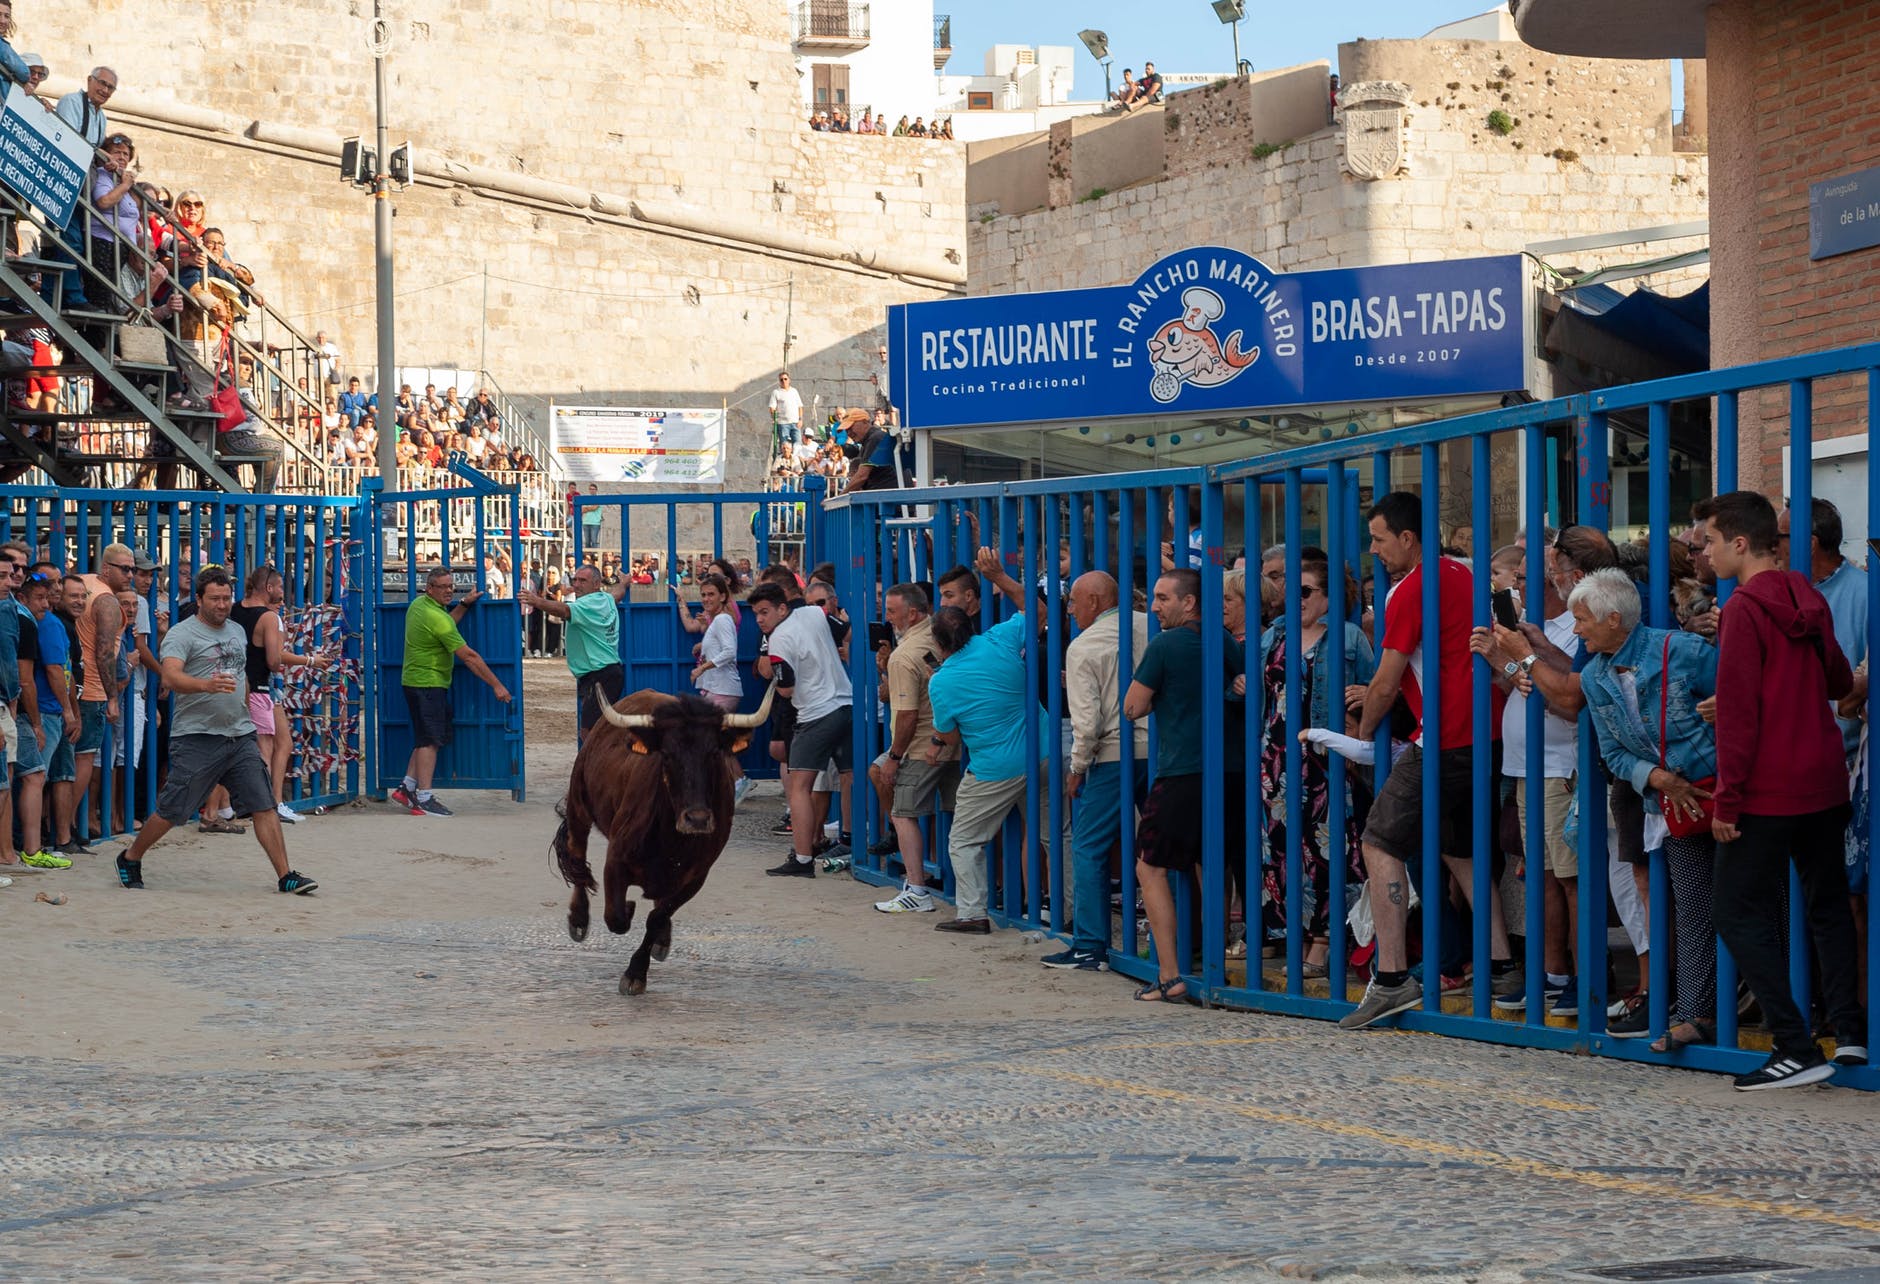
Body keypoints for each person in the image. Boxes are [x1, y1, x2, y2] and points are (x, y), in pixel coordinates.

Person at [1699, 491, 1866, 1089]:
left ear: (1740, 544)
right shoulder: (1805, 594)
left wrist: (1728, 797)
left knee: (1734, 912)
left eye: (1710, 541)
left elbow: (1740, 714)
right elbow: (1840, 680)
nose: (1704, 551)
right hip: (1823, 777)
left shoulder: (1744, 607)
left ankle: (1795, 1046)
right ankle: (1849, 1034)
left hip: (1767, 788)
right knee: (1826, 907)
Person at [1340, 492, 1517, 1029]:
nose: (1374, 550)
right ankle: (1503, 968)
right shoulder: (1464, 573)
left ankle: (1392, 979)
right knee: (1460, 848)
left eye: (1377, 539)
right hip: (1489, 732)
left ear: (1406, 537)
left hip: (1442, 736)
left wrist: (1364, 729)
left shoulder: (1410, 589)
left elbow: (1388, 676)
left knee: (1379, 840)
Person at [1573, 567, 1721, 1054]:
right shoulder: (1595, 676)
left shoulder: (1684, 651)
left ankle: (1770, 1008)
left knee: (1754, 903)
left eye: (1583, 621)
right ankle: (1698, 1013)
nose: (1577, 630)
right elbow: (1613, 752)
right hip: (1669, 805)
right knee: (1694, 909)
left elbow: (1738, 710)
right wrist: (1657, 778)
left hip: (1725, 796)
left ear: (1614, 619)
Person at [114, 568, 318, 895]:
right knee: (173, 810)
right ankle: (131, 856)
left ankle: (286, 875)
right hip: (197, 736)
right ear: (198, 600)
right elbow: (170, 678)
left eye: (226, 598)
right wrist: (205, 685)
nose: (222, 605)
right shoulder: (183, 634)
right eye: (215, 599)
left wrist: (247, 707)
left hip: (239, 735)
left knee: (263, 804)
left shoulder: (237, 630)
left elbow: (242, 675)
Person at [1123, 569, 1246, 1001]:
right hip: (1231, 771)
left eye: (1162, 598)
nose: (1154, 606)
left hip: (1182, 771)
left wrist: (1160, 695)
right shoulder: (1226, 642)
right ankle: (1216, 960)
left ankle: (1170, 973)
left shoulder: (1165, 645)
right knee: (1215, 864)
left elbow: (1133, 706)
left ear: (1188, 603)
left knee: (1150, 867)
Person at [1259, 558, 1375, 973]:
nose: (1297, 600)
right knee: (1281, 849)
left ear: (1328, 597)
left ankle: (1325, 941)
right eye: (1291, 591)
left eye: (1306, 592)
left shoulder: (1347, 637)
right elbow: (1258, 693)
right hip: (1277, 759)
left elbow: (1375, 689)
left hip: (1326, 760)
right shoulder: (1274, 635)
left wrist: (1360, 715)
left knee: (1328, 849)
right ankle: (1297, 933)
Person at [1043, 571, 1149, 968]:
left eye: (1073, 602)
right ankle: (1172, 941)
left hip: (1111, 752)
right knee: (1159, 845)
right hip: (1157, 749)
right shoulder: (1148, 626)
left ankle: (1090, 943)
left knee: (1088, 848)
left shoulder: (1084, 646)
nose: (1070, 610)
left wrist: (1077, 768)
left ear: (1094, 601)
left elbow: (1086, 722)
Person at [923, 602, 1048, 933]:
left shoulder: (942, 681)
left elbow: (948, 735)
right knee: (1054, 836)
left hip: (996, 767)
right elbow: (1036, 609)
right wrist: (999, 578)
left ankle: (973, 912)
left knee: (964, 840)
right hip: (1044, 750)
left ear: (938, 643)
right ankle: (1067, 913)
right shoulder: (998, 640)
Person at [752, 581, 854, 879]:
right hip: (846, 703)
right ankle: (853, 844)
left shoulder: (778, 640)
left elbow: (786, 689)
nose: (760, 619)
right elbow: (847, 632)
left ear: (782, 608)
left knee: (798, 786)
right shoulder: (813, 613)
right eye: (756, 614)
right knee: (850, 777)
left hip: (816, 714)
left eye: (765, 612)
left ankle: (803, 857)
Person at [391, 568, 511, 817]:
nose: (449, 591)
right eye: (443, 587)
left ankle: (406, 788)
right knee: (429, 742)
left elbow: (446, 625)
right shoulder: (438, 618)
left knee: (425, 738)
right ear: (430, 588)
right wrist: (496, 684)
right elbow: (469, 656)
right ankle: (424, 798)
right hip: (428, 683)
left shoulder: (419, 605)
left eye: (451, 586)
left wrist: (464, 604)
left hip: (417, 681)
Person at [871, 583, 960, 914]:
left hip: (922, 746)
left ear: (912, 613)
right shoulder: (938, 639)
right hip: (953, 741)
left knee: (903, 814)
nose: (887, 617)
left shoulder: (904, 655)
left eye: (892, 611)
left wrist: (894, 757)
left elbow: (907, 716)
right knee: (956, 817)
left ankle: (917, 889)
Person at [231, 567, 330, 824]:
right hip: (260, 688)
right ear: (269, 588)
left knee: (275, 743)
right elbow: (274, 660)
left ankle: (271, 801)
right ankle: (266, 804)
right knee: (266, 748)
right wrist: (310, 660)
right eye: (279, 587)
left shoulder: (235, 609)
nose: (282, 592)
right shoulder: (268, 618)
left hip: (239, 686)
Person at [72, 545, 133, 847]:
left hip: (73, 685)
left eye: (132, 569)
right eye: (125, 568)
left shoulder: (83, 583)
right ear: (106, 568)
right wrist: (112, 697)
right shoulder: (107, 600)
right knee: (84, 761)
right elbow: (105, 650)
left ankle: (59, 826)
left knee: (65, 763)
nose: (131, 575)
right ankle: (66, 826)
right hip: (93, 688)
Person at [768, 372, 804, 450]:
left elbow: (800, 406)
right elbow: (772, 407)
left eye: (785, 379)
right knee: (785, 446)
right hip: (783, 424)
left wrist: (800, 419)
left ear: (789, 380)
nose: (783, 381)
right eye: (781, 380)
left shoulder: (794, 391)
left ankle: (796, 462)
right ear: (779, 381)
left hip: (795, 423)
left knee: (798, 446)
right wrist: (774, 418)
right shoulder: (776, 392)